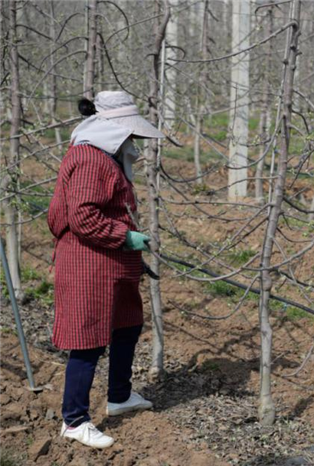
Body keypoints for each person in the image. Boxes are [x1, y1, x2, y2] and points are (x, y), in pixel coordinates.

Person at [47, 91, 165, 448]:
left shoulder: (105, 156)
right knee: (88, 340)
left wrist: (130, 248)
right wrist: (125, 237)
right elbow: (83, 217)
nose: (133, 140)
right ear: (113, 129)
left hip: (112, 262)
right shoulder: (90, 159)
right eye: (130, 133)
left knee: (127, 325)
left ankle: (119, 396)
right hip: (88, 263)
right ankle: (75, 420)